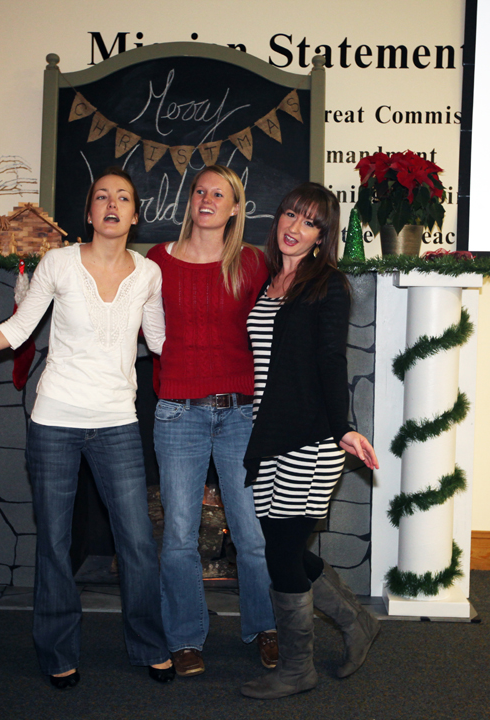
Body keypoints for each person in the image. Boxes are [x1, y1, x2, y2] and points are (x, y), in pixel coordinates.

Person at [0, 168, 175, 689]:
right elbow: (18, 329)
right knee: (55, 544)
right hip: (55, 423)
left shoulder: (148, 274)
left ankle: (149, 644)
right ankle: (58, 651)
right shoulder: (58, 262)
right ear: (89, 212)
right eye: (102, 197)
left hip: (117, 423)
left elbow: (160, 342)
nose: (112, 205)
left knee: (137, 542)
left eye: (123, 198)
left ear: (136, 215)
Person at [239, 183, 381, 700]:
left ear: (323, 236)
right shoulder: (266, 281)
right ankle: (356, 621)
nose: (295, 227)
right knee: (283, 547)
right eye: (290, 215)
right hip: (269, 433)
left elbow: (330, 360)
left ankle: (298, 668)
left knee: (281, 551)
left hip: (311, 438)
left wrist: (342, 427)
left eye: (310, 222)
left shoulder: (328, 285)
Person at [146, 166, 276, 677]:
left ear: (235, 208)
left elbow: (273, 329)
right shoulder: (158, 261)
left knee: (251, 533)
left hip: (241, 412)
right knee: (179, 535)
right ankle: (184, 638)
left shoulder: (252, 263)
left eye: (219, 194)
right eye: (200, 190)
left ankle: (265, 627)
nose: (207, 199)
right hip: (179, 411)